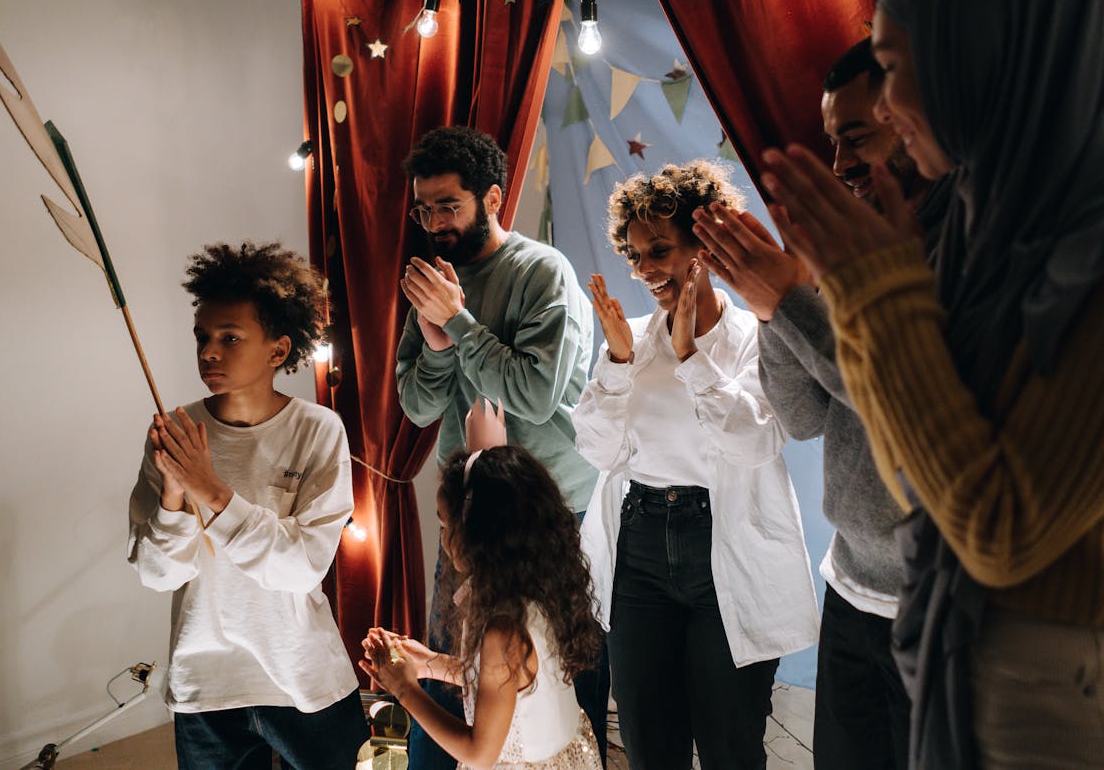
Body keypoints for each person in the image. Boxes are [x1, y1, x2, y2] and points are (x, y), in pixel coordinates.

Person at [759, 0, 1104, 766]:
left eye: (899, 69)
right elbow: (916, 472)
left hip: (1076, 724)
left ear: (984, 56)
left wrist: (866, 291)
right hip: (966, 695)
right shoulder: (991, 232)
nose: (890, 106)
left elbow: (1001, 532)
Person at [691, 38, 941, 769]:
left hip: (941, 611)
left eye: (855, 137)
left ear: (913, 120)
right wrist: (773, 307)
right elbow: (803, 417)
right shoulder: (853, 244)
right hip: (853, 590)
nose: (839, 166)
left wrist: (792, 301)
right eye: (833, 143)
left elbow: (910, 403)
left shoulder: (973, 245)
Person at [574, 161, 819, 769]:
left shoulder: (759, 337)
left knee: (730, 745)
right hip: (639, 549)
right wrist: (619, 362)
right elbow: (599, 453)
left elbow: (754, 443)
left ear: (703, 246)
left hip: (725, 549)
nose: (644, 269)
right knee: (649, 745)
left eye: (659, 249)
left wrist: (690, 357)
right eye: (634, 255)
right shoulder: (628, 340)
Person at [394, 125, 606, 767]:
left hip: (550, 511)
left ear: (492, 197)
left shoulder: (544, 273)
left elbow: (535, 393)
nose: (433, 222)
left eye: (447, 205)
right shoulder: (435, 281)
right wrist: (434, 346)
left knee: (559, 676)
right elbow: (417, 403)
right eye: (423, 208)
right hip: (469, 512)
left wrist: (457, 323)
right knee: (461, 659)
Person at [127, 242, 368, 769]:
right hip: (205, 686)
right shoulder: (176, 434)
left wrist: (210, 491)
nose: (208, 352)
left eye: (229, 337)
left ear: (278, 351)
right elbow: (157, 575)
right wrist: (172, 494)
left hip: (303, 676)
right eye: (203, 337)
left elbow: (303, 567)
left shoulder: (317, 430)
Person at [360, 399, 603, 770]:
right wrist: (429, 664)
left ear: (477, 533)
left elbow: (479, 753)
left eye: (445, 525)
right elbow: (508, 684)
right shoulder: (538, 585)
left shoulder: (502, 630)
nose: (443, 539)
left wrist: (405, 689)